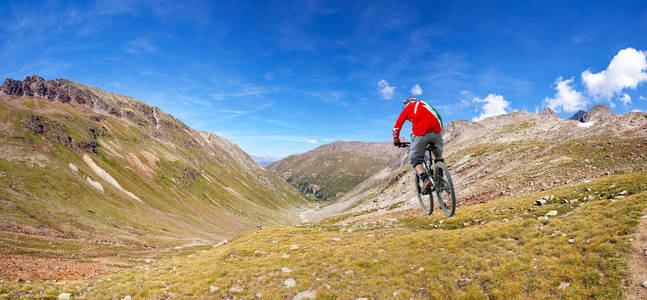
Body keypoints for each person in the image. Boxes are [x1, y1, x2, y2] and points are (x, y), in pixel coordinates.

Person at [392, 96, 444, 194]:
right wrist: (438, 132)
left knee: (414, 159)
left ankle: (425, 179)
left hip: (420, 134)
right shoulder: (425, 103)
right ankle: (441, 179)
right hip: (437, 132)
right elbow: (438, 116)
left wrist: (396, 141)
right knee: (438, 156)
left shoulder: (407, 109)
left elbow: (397, 127)